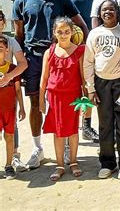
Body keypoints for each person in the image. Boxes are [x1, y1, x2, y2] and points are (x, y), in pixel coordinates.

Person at [12, 0, 88, 170]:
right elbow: (18, 34)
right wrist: (20, 60)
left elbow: (81, 26)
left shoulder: (61, 0)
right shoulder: (21, 1)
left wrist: (80, 52)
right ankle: (38, 149)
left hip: (60, 56)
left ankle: (65, 148)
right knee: (36, 103)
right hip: (34, 58)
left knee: (66, 103)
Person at [84, 0, 120, 180]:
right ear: (100, 13)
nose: (108, 12)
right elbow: (88, 63)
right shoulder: (94, 34)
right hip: (101, 84)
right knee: (105, 125)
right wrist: (91, 88)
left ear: (117, 12)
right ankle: (107, 163)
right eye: (104, 10)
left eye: (111, 9)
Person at [56, 0, 101, 144]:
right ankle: (69, 126)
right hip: (69, 49)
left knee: (88, 87)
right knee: (68, 88)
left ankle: (87, 125)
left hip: (90, 48)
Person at [39, 17, 85, 181]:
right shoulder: (49, 51)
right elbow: (44, 77)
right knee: (58, 131)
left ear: (72, 32)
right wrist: (41, 100)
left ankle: (73, 161)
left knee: (72, 130)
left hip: (73, 97)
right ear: (54, 33)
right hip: (54, 97)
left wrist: (85, 100)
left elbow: (83, 78)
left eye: (66, 31)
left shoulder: (80, 51)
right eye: (60, 32)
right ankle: (59, 165)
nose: (63, 35)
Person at [0, 11, 28, 172]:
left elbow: (22, 63)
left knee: (11, 127)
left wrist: (9, 76)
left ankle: (13, 158)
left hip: (8, 88)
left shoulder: (10, 41)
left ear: (4, 22)